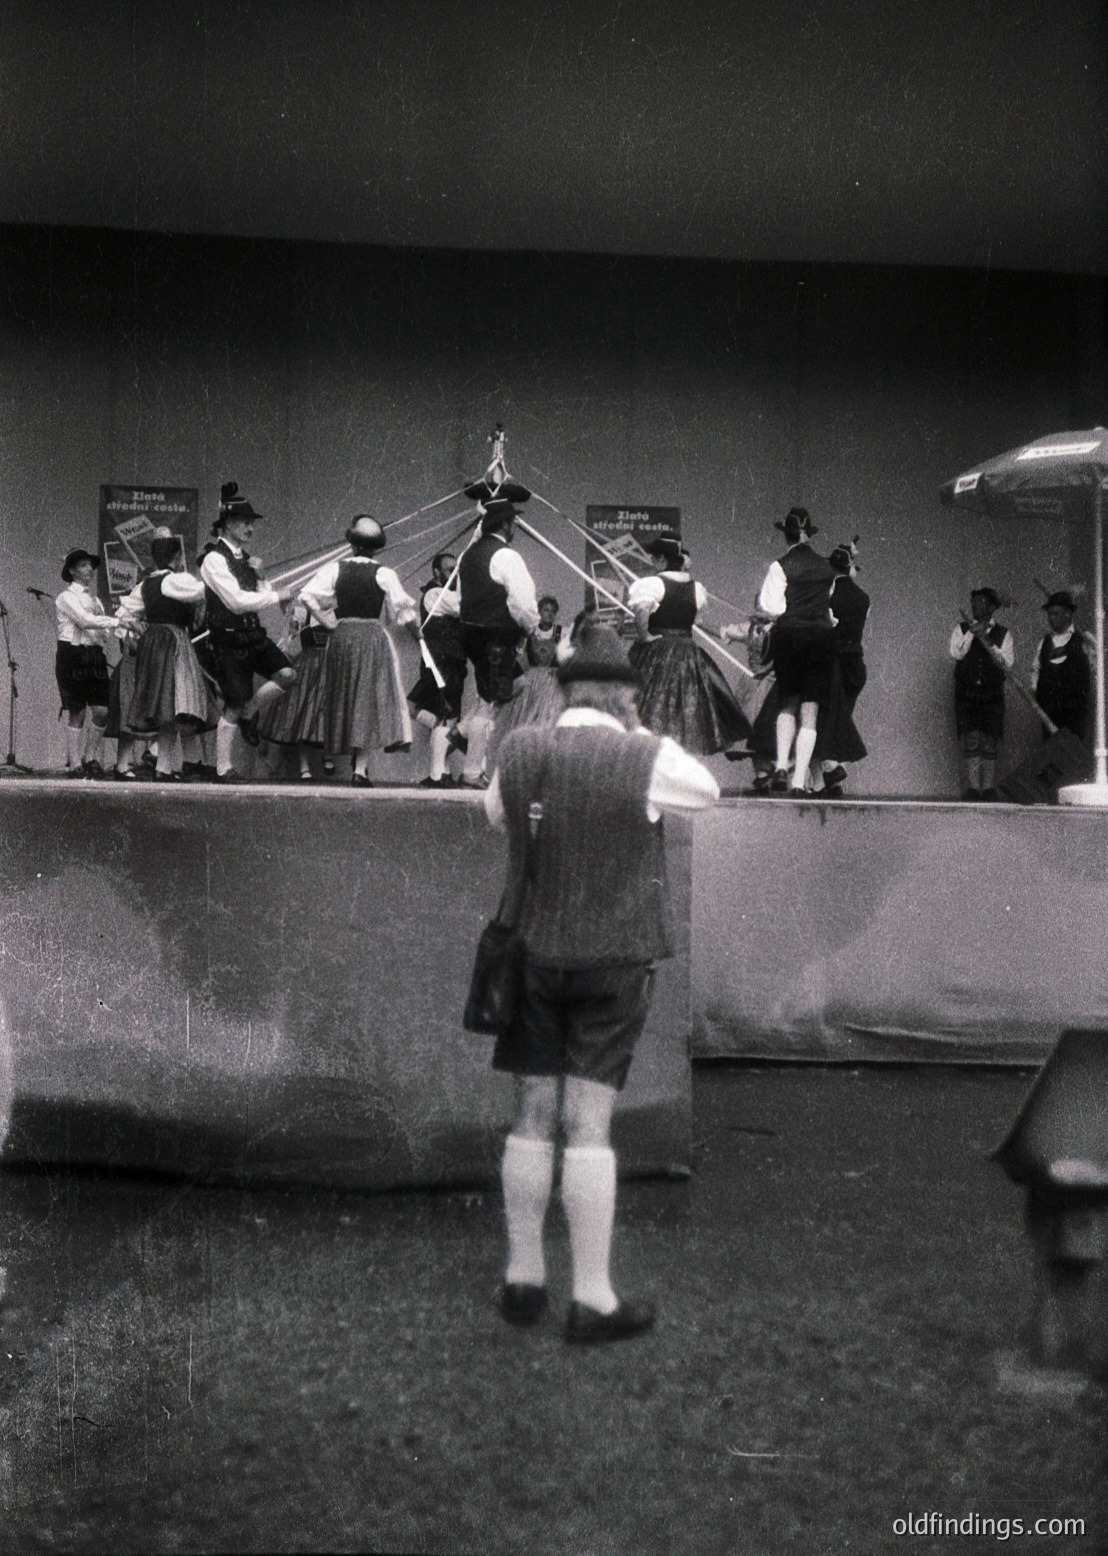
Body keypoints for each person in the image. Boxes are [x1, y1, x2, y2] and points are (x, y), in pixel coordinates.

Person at [483, 625, 719, 1342]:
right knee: (588, 1123)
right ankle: (592, 1299)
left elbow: (493, 813)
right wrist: (639, 729)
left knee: (531, 1113)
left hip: (531, 952)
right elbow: (707, 793)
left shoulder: (520, 749)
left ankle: (523, 1281)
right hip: (613, 961)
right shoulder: (646, 754)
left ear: (561, 690)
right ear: (623, 694)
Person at [299, 514, 419, 787]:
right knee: (367, 699)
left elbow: (306, 595)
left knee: (345, 697)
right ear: (377, 547)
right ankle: (360, 770)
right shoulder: (384, 573)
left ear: (352, 544)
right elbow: (403, 610)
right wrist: (417, 633)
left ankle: (353, 763)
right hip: (371, 638)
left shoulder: (335, 569)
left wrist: (327, 619)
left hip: (342, 638)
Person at [198, 482, 298, 782]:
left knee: (288, 675)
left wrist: (264, 579)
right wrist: (278, 595)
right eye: (245, 522)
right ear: (227, 524)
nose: (250, 529)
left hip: (254, 635)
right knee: (234, 702)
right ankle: (223, 768)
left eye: (252, 523)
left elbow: (261, 597)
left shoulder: (247, 560)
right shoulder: (213, 560)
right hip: (228, 639)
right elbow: (237, 602)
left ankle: (248, 713)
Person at [626, 534, 751, 756]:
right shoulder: (696, 588)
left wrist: (644, 636)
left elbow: (642, 612)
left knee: (651, 707)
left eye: (654, 557)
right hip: (687, 654)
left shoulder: (654, 584)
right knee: (685, 711)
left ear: (662, 560)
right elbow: (695, 622)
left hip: (658, 651)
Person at [450, 498, 540, 788]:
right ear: (505, 523)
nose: (515, 527)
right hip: (496, 635)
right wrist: (530, 630)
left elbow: (461, 599)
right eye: (513, 522)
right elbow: (522, 602)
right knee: (490, 702)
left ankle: (463, 730)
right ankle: (472, 772)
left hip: (473, 634)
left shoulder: (468, 555)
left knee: (515, 684)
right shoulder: (505, 555)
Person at [117, 533, 216, 781]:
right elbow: (204, 592)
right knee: (172, 705)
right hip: (172, 643)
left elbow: (123, 612)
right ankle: (163, 766)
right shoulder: (176, 580)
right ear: (177, 557)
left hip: (153, 643)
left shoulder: (145, 585)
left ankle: (164, 766)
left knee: (167, 707)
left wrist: (131, 627)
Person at [756, 507, 836, 793]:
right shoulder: (827, 568)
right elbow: (829, 606)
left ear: (786, 536)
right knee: (810, 710)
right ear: (809, 534)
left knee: (787, 702)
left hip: (790, 638)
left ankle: (779, 766)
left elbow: (773, 607)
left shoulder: (780, 566)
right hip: (820, 639)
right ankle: (800, 780)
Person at [54, 547, 119, 778]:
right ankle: (74, 763)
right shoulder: (66, 597)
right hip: (73, 655)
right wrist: (113, 621)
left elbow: (103, 630)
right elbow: (84, 621)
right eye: (83, 565)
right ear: (71, 570)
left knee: (102, 710)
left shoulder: (96, 600)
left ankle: (89, 756)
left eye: (89, 565)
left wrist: (115, 629)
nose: (89, 569)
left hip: (94, 656)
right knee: (77, 711)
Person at [408, 550, 469, 788]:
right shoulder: (435, 592)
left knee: (444, 715)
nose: (453, 573)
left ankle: (439, 773)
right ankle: (444, 767)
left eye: (456, 569)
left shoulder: (445, 592)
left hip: (448, 661)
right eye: (448, 569)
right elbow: (460, 606)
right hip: (439, 661)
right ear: (436, 572)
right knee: (434, 713)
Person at [486, 594, 568, 766]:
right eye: (546, 610)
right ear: (539, 611)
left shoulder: (561, 633)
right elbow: (519, 657)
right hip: (532, 681)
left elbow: (567, 657)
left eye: (553, 612)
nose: (549, 614)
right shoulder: (530, 632)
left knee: (547, 719)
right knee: (526, 719)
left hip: (552, 682)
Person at [254, 601, 332, 780]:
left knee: (329, 709)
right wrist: (292, 630)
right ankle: (304, 766)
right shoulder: (303, 609)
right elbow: (292, 633)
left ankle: (327, 755)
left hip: (330, 663)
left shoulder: (336, 608)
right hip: (308, 663)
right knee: (303, 711)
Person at [950, 586, 1014, 801]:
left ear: (992, 607)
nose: (976, 606)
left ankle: (987, 788)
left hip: (991, 694)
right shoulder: (961, 629)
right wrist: (971, 634)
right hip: (966, 693)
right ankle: (973, 788)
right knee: (971, 738)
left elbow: (1006, 663)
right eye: (974, 602)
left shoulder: (1004, 634)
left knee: (989, 739)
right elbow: (956, 653)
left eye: (981, 602)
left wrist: (987, 640)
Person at [818, 538, 870, 797]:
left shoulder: (827, 595)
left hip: (833, 662)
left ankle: (831, 769)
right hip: (855, 662)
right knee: (840, 717)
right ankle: (832, 779)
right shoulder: (863, 598)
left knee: (826, 719)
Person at [1031, 590, 1091, 743]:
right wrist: (1036, 694)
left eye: (1055, 613)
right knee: (1050, 755)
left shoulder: (1084, 640)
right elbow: (1035, 671)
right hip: (1049, 713)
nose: (1051, 618)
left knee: (1072, 755)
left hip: (1075, 714)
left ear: (1067, 614)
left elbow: (1096, 671)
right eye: (1049, 614)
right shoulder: (1044, 643)